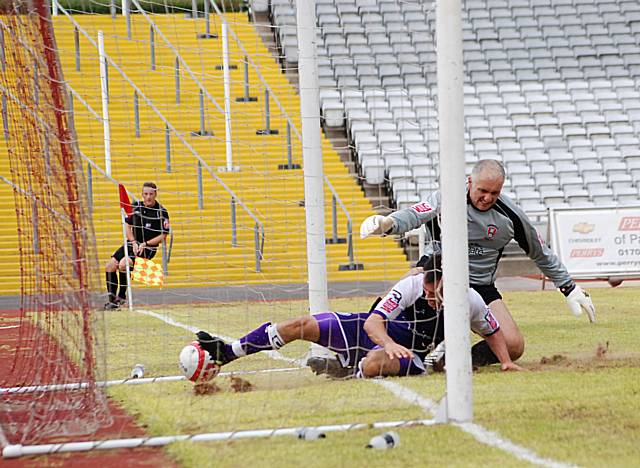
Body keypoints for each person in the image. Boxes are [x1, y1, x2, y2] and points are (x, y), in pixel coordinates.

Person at [360, 159, 596, 367]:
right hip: (437, 273)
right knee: (400, 291)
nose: (487, 198)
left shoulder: (510, 216)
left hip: (480, 286)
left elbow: (540, 253)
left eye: (495, 193)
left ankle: (447, 361)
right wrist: (389, 224)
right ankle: (360, 349)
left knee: (514, 346)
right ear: (470, 181)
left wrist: (569, 288)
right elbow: (415, 214)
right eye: (483, 190)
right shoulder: (447, 199)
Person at [196, 254, 523, 379]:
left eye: (433, 294)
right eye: (425, 291)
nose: (427, 297)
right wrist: (387, 341)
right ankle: (229, 352)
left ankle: (349, 370)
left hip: (410, 356)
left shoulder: (470, 299)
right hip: (373, 334)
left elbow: (492, 331)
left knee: (372, 364)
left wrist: (506, 361)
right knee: (301, 324)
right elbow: (372, 321)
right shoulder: (410, 285)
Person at [104, 182, 170, 309]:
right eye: (146, 194)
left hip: (148, 248)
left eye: (151, 194)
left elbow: (163, 236)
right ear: (142, 194)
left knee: (124, 264)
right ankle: (112, 301)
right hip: (133, 243)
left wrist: (145, 244)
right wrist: (133, 242)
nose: (148, 197)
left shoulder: (161, 212)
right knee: (110, 266)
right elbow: (127, 226)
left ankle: (121, 296)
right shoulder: (136, 207)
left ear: (155, 194)